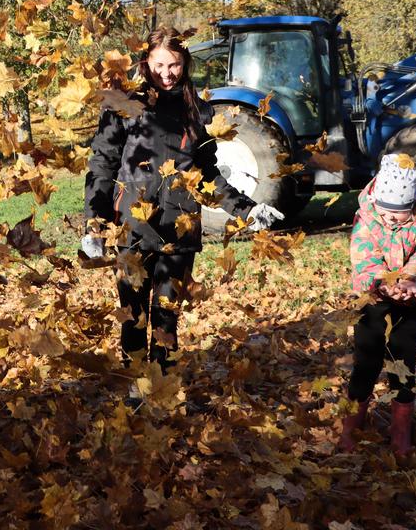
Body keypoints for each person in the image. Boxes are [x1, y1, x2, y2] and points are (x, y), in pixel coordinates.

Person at [82, 27, 283, 386]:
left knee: (166, 318)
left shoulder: (198, 110)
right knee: (132, 315)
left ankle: (161, 388)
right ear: (146, 62)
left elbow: (208, 175)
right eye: (159, 64)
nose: (167, 73)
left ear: (185, 64)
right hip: (131, 226)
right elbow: (102, 164)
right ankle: (134, 385)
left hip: (179, 229)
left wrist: (246, 209)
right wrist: (93, 222)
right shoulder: (122, 104)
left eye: (174, 65)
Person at [337, 153, 416, 455]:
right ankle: (351, 426)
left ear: (411, 205)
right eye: (386, 213)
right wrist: (384, 283)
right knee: (366, 363)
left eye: (399, 214)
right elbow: (364, 258)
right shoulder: (367, 218)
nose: (391, 220)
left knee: (403, 365)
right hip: (372, 302)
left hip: (409, 302)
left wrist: (412, 280)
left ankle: (401, 431)